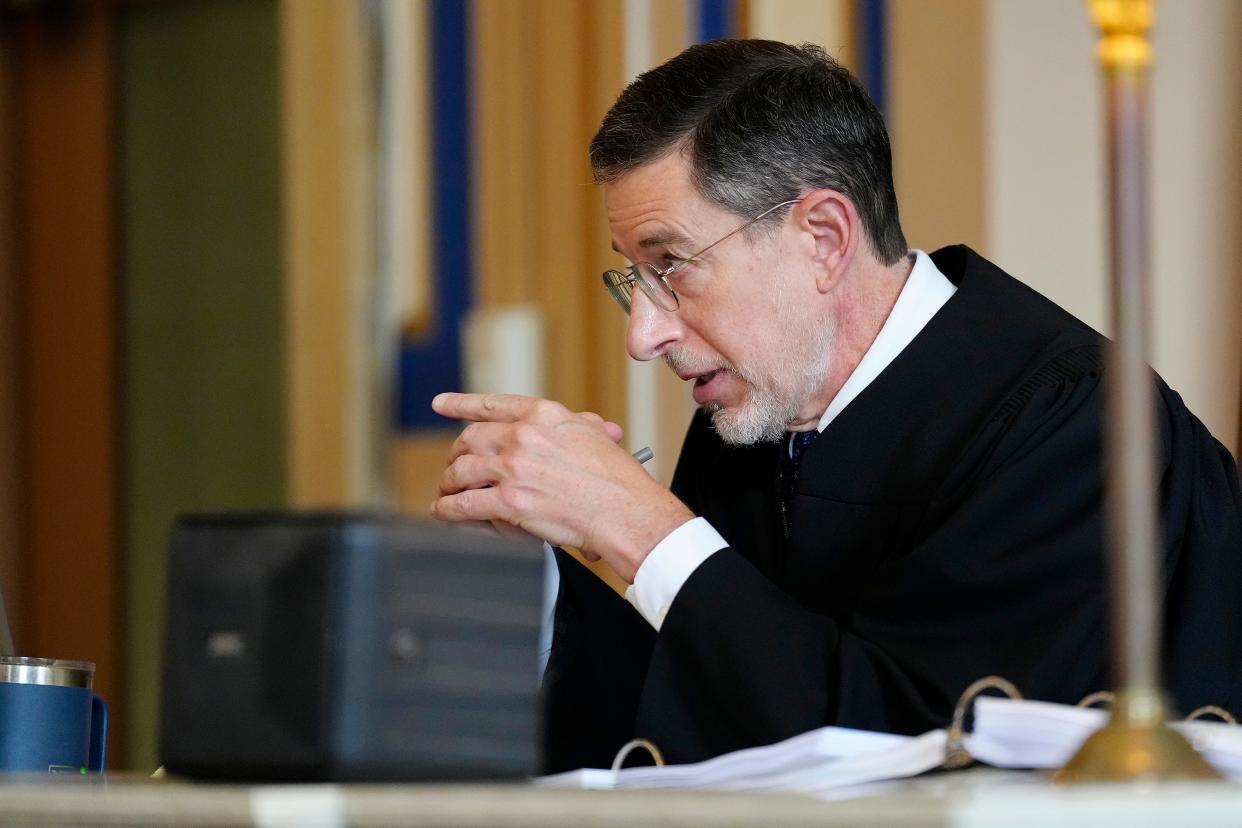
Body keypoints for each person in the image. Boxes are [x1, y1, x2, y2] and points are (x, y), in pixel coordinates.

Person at [430, 39, 1242, 773]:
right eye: (633, 279)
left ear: (822, 236)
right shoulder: (756, 413)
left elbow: (925, 755)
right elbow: (690, 714)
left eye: (671, 266)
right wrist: (525, 571)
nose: (643, 336)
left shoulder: (1070, 425)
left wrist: (641, 529)